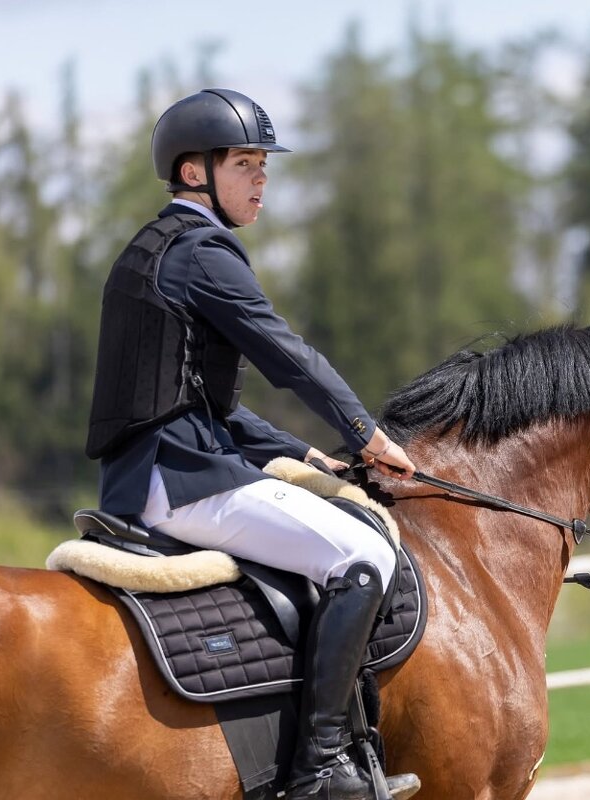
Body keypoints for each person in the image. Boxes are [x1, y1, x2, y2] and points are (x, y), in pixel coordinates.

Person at [85, 88, 420, 800]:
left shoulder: (155, 249)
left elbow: (207, 405)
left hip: (153, 470)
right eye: (244, 164)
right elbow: (288, 356)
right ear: (193, 172)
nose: (262, 179)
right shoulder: (202, 252)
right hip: (181, 479)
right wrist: (367, 434)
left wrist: (304, 454)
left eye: (264, 164)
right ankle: (319, 769)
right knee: (365, 556)